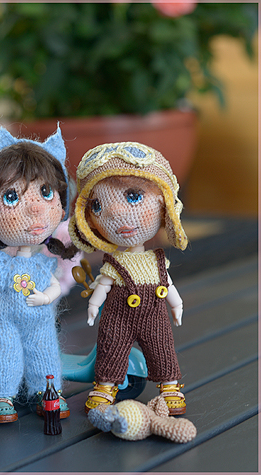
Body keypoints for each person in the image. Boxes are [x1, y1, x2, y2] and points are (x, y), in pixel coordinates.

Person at [68, 142, 188, 415]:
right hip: (117, 317)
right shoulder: (115, 263)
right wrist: (93, 305)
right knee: (110, 348)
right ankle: (105, 387)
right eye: (98, 205)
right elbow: (104, 284)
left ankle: (170, 387)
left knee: (162, 349)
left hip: (154, 316)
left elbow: (167, 284)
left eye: (133, 196)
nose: (115, 214)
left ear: (164, 206)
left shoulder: (156, 260)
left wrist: (177, 304)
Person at [0, 126, 78, 423]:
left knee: (44, 352)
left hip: (39, 320)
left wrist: (47, 297)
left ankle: (47, 391)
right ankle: (2, 395)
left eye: (46, 193)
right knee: (2, 352)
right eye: (12, 196)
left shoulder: (43, 262)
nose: (34, 208)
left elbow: (54, 285)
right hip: (3, 321)